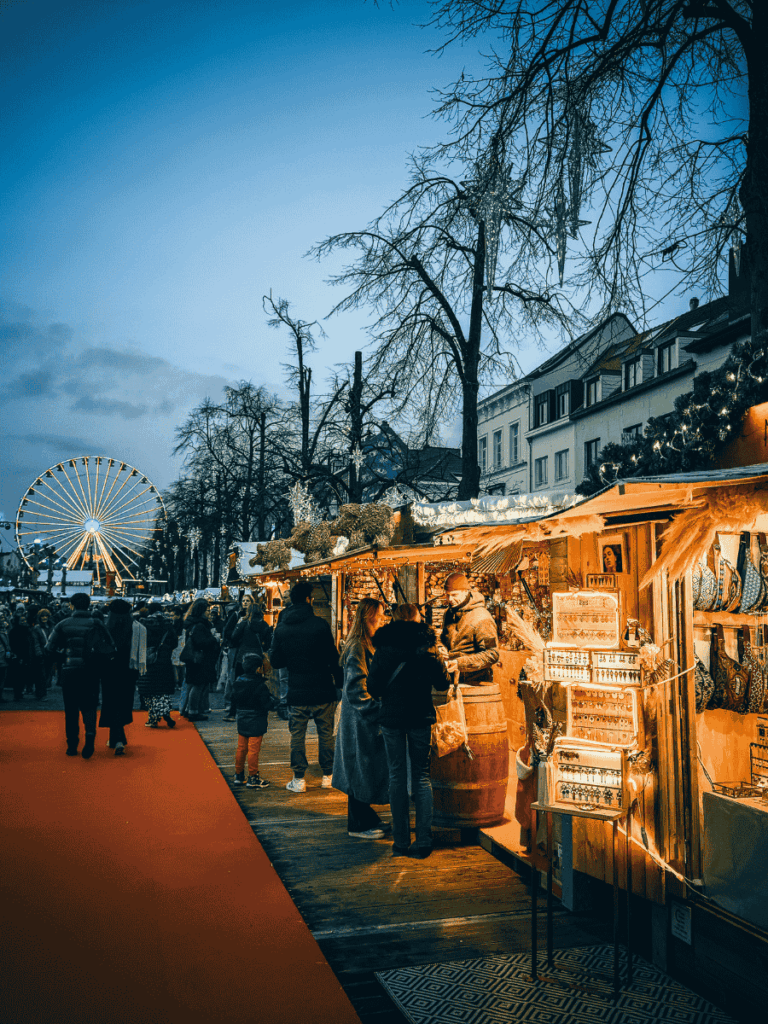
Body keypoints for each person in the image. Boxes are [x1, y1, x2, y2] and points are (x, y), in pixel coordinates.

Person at [367, 603, 451, 858]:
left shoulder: (383, 647)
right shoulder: (427, 646)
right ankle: (423, 839)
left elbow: (373, 687)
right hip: (419, 715)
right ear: (415, 618)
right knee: (422, 777)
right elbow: (442, 683)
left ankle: (401, 841)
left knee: (396, 775)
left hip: (391, 717)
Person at [269, 579, 342, 793]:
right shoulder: (320, 625)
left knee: (297, 735)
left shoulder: (282, 628)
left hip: (297, 689)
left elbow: (275, 662)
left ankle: (299, 778)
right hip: (322, 687)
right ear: (309, 600)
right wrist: (340, 682)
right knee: (325, 733)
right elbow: (333, 657)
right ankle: (328, 775)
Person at [333, 598, 392, 840]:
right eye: (378, 619)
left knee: (363, 769)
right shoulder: (358, 646)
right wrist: (376, 710)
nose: (381, 623)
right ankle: (357, 824)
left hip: (364, 718)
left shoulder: (365, 643)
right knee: (359, 768)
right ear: (368, 619)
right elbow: (356, 688)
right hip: (360, 720)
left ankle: (366, 817)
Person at [46, 593, 113, 758]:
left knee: (71, 709)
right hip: (90, 671)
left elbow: (49, 648)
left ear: (72, 605)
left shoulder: (63, 624)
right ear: (89, 605)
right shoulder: (97, 623)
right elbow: (110, 646)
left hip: (69, 670)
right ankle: (90, 738)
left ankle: (72, 744)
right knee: (89, 707)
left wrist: (63, 657)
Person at [440, 573, 499, 685]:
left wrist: (459, 663)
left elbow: (492, 654)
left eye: (454, 595)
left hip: (476, 683)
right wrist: (442, 648)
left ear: (466, 591)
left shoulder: (482, 617)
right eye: (447, 595)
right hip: (452, 680)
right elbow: (442, 639)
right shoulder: (449, 613)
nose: (450, 599)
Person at [100, 599, 139, 755]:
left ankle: (117, 739)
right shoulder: (135, 628)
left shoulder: (106, 627)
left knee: (111, 702)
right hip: (128, 670)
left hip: (109, 670)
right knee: (123, 702)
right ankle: (118, 738)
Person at [232, 652, 275, 788]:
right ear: (257, 668)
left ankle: (239, 774)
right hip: (256, 719)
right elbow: (267, 704)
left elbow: (233, 699)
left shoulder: (238, 681)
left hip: (242, 718)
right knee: (253, 750)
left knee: (241, 748)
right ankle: (253, 776)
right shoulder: (259, 685)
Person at [225, 602, 270, 721]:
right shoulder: (264, 625)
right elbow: (268, 643)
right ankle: (255, 709)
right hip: (257, 658)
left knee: (238, 683)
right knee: (256, 684)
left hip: (242, 657)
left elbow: (234, 637)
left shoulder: (244, 623)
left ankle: (232, 713)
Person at [139, 604, 178, 728]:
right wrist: (165, 649)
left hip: (149, 659)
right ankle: (165, 712)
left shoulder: (145, 623)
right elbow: (174, 642)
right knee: (162, 689)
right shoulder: (167, 623)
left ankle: (153, 717)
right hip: (164, 659)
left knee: (150, 690)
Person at [182, 598, 220, 721]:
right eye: (207, 610)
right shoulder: (200, 625)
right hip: (199, 661)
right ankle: (193, 711)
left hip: (195, 660)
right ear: (201, 611)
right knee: (198, 685)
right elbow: (200, 642)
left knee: (195, 685)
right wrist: (214, 639)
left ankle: (190, 709)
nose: (210, 612)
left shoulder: (194, 623)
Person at [9, 607, 35, 701]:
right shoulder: (14, 631)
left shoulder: (27, 630)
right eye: (22, 620)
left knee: (23, 676)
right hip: (19, 656)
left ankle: (20, 693)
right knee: (18, 676)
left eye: (24, 619)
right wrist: (17, 655)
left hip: (26, 656)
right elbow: (13, 645)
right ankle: (17, 693)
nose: (24, 621)